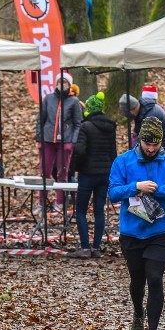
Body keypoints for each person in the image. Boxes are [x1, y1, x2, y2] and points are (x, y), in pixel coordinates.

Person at [108, 116, 165, 330]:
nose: (151, 149)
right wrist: (136, 187)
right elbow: (113, 193)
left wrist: (157, 189)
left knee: (154, 278)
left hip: (158, 232)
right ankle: (137, 313)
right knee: (137, 279)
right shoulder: (123, 162)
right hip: (131, 232)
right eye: (147, 144)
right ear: (139, 140)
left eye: (155, 145)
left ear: (161, 143)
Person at [68, 92, 117, 259]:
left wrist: (75, 166)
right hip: (105, 174)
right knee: (99, 211)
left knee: (80, 210)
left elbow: (80, 150)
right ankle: (96, 247)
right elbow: (113, 152)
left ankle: (84, 247)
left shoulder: (85, 126)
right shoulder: (111, 126)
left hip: (87, 174)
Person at [37, 74, 82, 212]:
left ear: (69, 85)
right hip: (48, 140)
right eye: (59, 81)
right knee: (45, 171)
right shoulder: (48, 99)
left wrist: (72, 142)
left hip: (65, 141)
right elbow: (40, 119)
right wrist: (39, 138)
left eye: (64, 82)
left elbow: (78, 123)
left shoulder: (74, 101)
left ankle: (60, 202)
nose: (61, 84)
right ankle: (41, 203)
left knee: (62, 172)